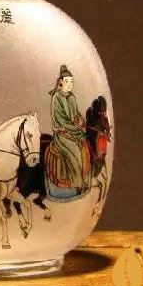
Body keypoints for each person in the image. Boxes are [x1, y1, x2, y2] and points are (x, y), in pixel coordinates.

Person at [46, 65, 91, 193]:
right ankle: (78, 183)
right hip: (63, 133)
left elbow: (76, 113)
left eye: (71, 81)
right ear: (61, 82)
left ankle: (86, 175)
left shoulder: (72, 97)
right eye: (67, 81)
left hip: (74, 131)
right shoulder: (56, 98)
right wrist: (75, 127)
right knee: (74, 150)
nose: (70, 84)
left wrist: (80, 120)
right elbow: (61, 120)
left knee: (85, 146)